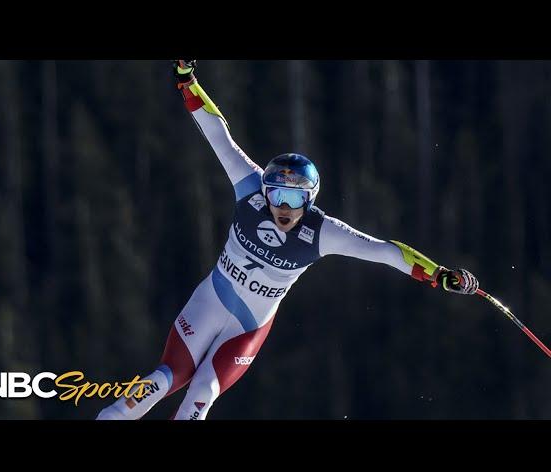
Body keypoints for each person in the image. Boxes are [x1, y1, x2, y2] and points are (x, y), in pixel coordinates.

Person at [96, 60, 479, 420]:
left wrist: (440, 275)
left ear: (309, 199)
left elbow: (386, 252)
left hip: (245, 330)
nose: (282, 207)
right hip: (210, 302)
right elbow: (217, 133)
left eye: (294, 199)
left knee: (200, 396)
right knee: (166, 378)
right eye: (275, 195)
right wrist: (186, 78)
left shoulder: (322, 232)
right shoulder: (249, 189)